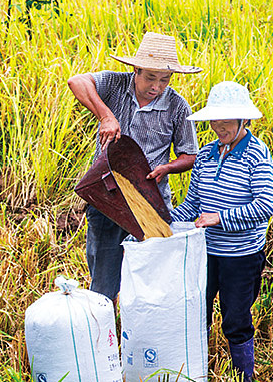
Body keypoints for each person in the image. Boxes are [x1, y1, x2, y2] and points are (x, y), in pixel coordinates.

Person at [67, 31, 202, 300]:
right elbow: (76, 81)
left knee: (149, 281)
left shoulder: (177, 106)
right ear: (136, 70)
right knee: (103, 280)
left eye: (164, 79)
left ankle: (140, 335)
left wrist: (167, 168)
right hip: (106, 197)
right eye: (150, 77)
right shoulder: (115, 85)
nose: (157, 86)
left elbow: (189, 155)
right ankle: (104, 331)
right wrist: (106, 116)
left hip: (150, 202)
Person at [170, 81, 273, 382]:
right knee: (196, 312)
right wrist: (166, 222)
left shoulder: (256, 155)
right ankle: (196, 375)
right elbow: (193, 204)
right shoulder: (205, 155)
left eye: (227, 121)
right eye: (215, 121)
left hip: (241, 255)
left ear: (244, 120)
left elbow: (266, 207)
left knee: (235, 318)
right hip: (205, 252)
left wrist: (220, 218)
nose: (219, 127)